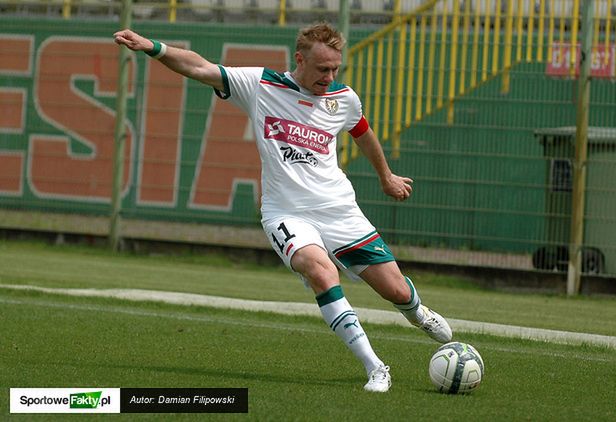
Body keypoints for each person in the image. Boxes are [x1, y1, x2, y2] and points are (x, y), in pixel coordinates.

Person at [114, 22, 452, 393]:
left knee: (397, 292)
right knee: (323, 275)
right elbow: (198, 67)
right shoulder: (261, 85)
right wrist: (152, 47)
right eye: (323, 69)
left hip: (340, 210)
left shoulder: (344, 98)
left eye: (335, 68)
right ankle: (376, 368)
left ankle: (419, 314)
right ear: (300, 59)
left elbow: (362, 132)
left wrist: (386, 177)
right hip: (286, 214)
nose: (330, 76)